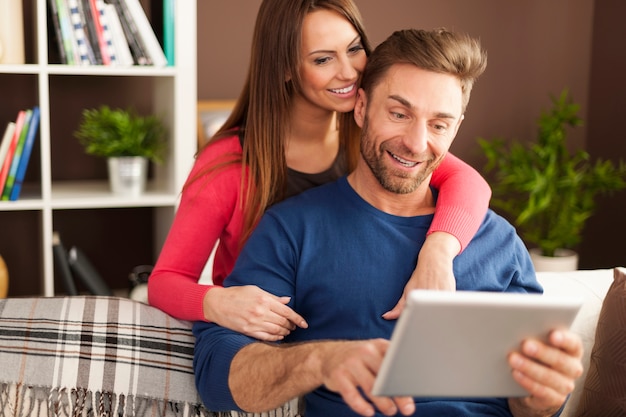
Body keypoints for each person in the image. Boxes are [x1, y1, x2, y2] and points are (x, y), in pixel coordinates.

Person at [192, 27, 584, 417]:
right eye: (399, 114)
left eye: (438, 125)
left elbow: (529, 403)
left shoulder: (498, 240)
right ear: (361, 107)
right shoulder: (293, 229)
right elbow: (218, 378)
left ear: (456, 127)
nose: (416, 143)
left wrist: (543, 397)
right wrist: (321, 361)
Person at [148, 0, 492, 341]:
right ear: (284, 68)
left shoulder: (372, 135)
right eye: (323, 59)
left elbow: (468, 182)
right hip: (267, 338)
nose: (350, 71)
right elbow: (164, 281)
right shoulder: (229, 162)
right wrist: (218, 301)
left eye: (354, 48)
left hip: (350, 326)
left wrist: (438, 252)